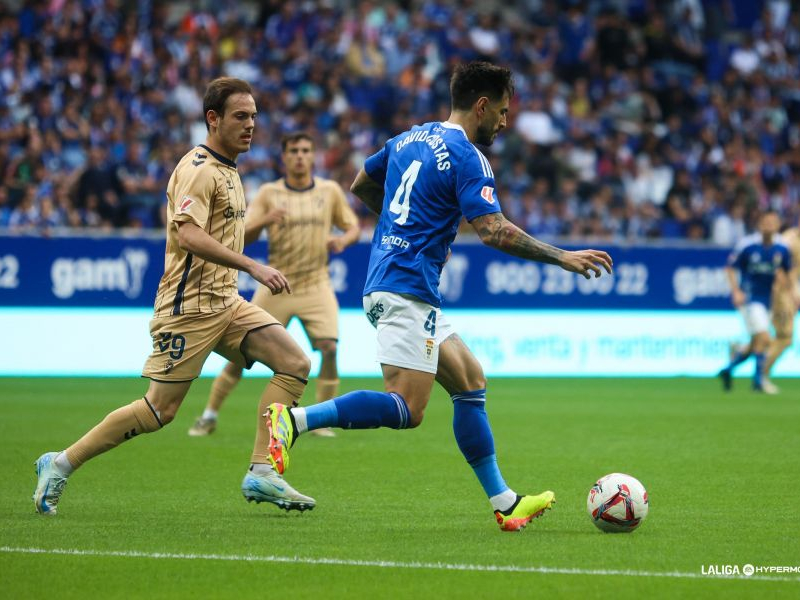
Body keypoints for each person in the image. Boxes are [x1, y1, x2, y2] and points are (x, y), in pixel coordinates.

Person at [260, 62, 613, 532]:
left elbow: (362, 185)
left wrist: (399, 228)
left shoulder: (410, 138)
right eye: (503, 112)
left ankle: (505, 502)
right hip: (404, 287)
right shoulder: (469, 156)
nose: (505, 122)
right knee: (407, 408)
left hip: (399, 281)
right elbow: (493, 231)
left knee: (470, 381)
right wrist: (563, 257)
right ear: (482, 106)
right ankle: (295, 420)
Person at [32, 77, 317, 516]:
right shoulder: (199, 169)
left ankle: (262, 470)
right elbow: (187, 234)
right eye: (241, 116)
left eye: (255, 117)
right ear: (213, 119)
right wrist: (253, 265)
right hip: (189, 308)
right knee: (159, 411)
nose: (251, 125)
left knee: (295, 363)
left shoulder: (230, 169)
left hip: (226, 302)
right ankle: (61, 463)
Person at [188, 131, 360, 437]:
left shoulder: (329, 191)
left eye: (306, 150)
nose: (299, 156)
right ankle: (209, 415)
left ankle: (322, 419)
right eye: (293, 150)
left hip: (316, 284)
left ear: (313, 155)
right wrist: (266, 219)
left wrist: (342, 240)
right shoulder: (268, 193)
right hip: (275, 284)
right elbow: (243, 235)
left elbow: (353, 227)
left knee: (329, 348)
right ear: (284, 157)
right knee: (242, 353)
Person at [718, 211, 791, 393]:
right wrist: (736, 291)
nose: (769, 226)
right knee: (765, 338)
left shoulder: (782, 248)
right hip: (750, 299)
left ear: (778, 225)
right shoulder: (747, 245)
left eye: (773, 222)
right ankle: (758, 381)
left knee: (755, 343)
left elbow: (786, 272)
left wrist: (786, 287)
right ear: (760, 224)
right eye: (765, 222)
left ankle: (728, 370)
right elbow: (730, 268)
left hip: (769, 300)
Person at [764, 219, 800, 388]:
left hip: (790, 290)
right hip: (780, 292)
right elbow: (777, 268)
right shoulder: (787, 240)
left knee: (781, 337)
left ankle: (743, 351)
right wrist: (792, 292)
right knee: (785, 337)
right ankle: (762, 375)